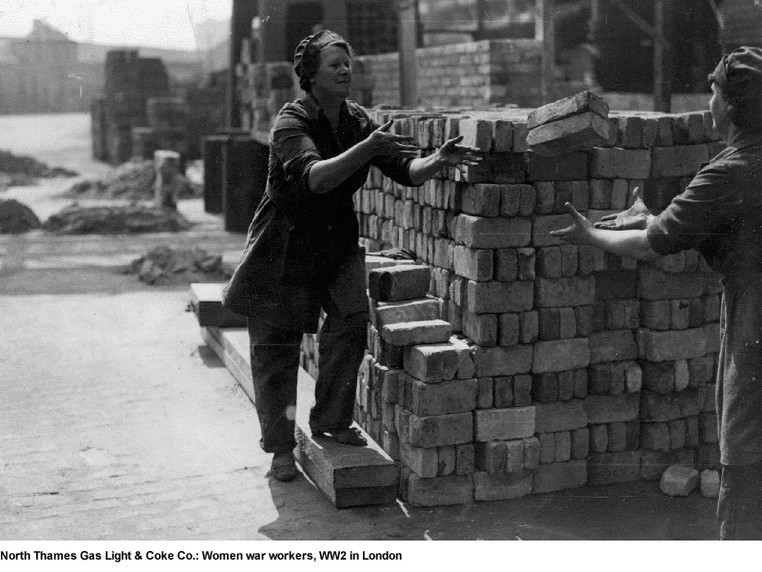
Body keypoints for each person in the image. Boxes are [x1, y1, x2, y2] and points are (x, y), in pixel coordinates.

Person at [221, 30, 481, 482]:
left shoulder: (357, 120)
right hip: (284, 245)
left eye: (349, 63)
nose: (345, 70)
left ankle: (330, 421)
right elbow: (315, 178)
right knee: (276, 347)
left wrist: (436, 160)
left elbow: (406, 172)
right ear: (311, 75)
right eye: (335, 64)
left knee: (349, 319)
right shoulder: (290, 122)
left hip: (334, 239)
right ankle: (280, 447)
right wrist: (367, 148)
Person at [551, 46, 762, 540]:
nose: (708, 101)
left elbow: (654, 246)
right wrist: (655, 219)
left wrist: (592, 235)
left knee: (747, 453)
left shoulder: (728, 173)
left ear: (732, 105)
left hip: (756, 325)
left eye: (713, 91)